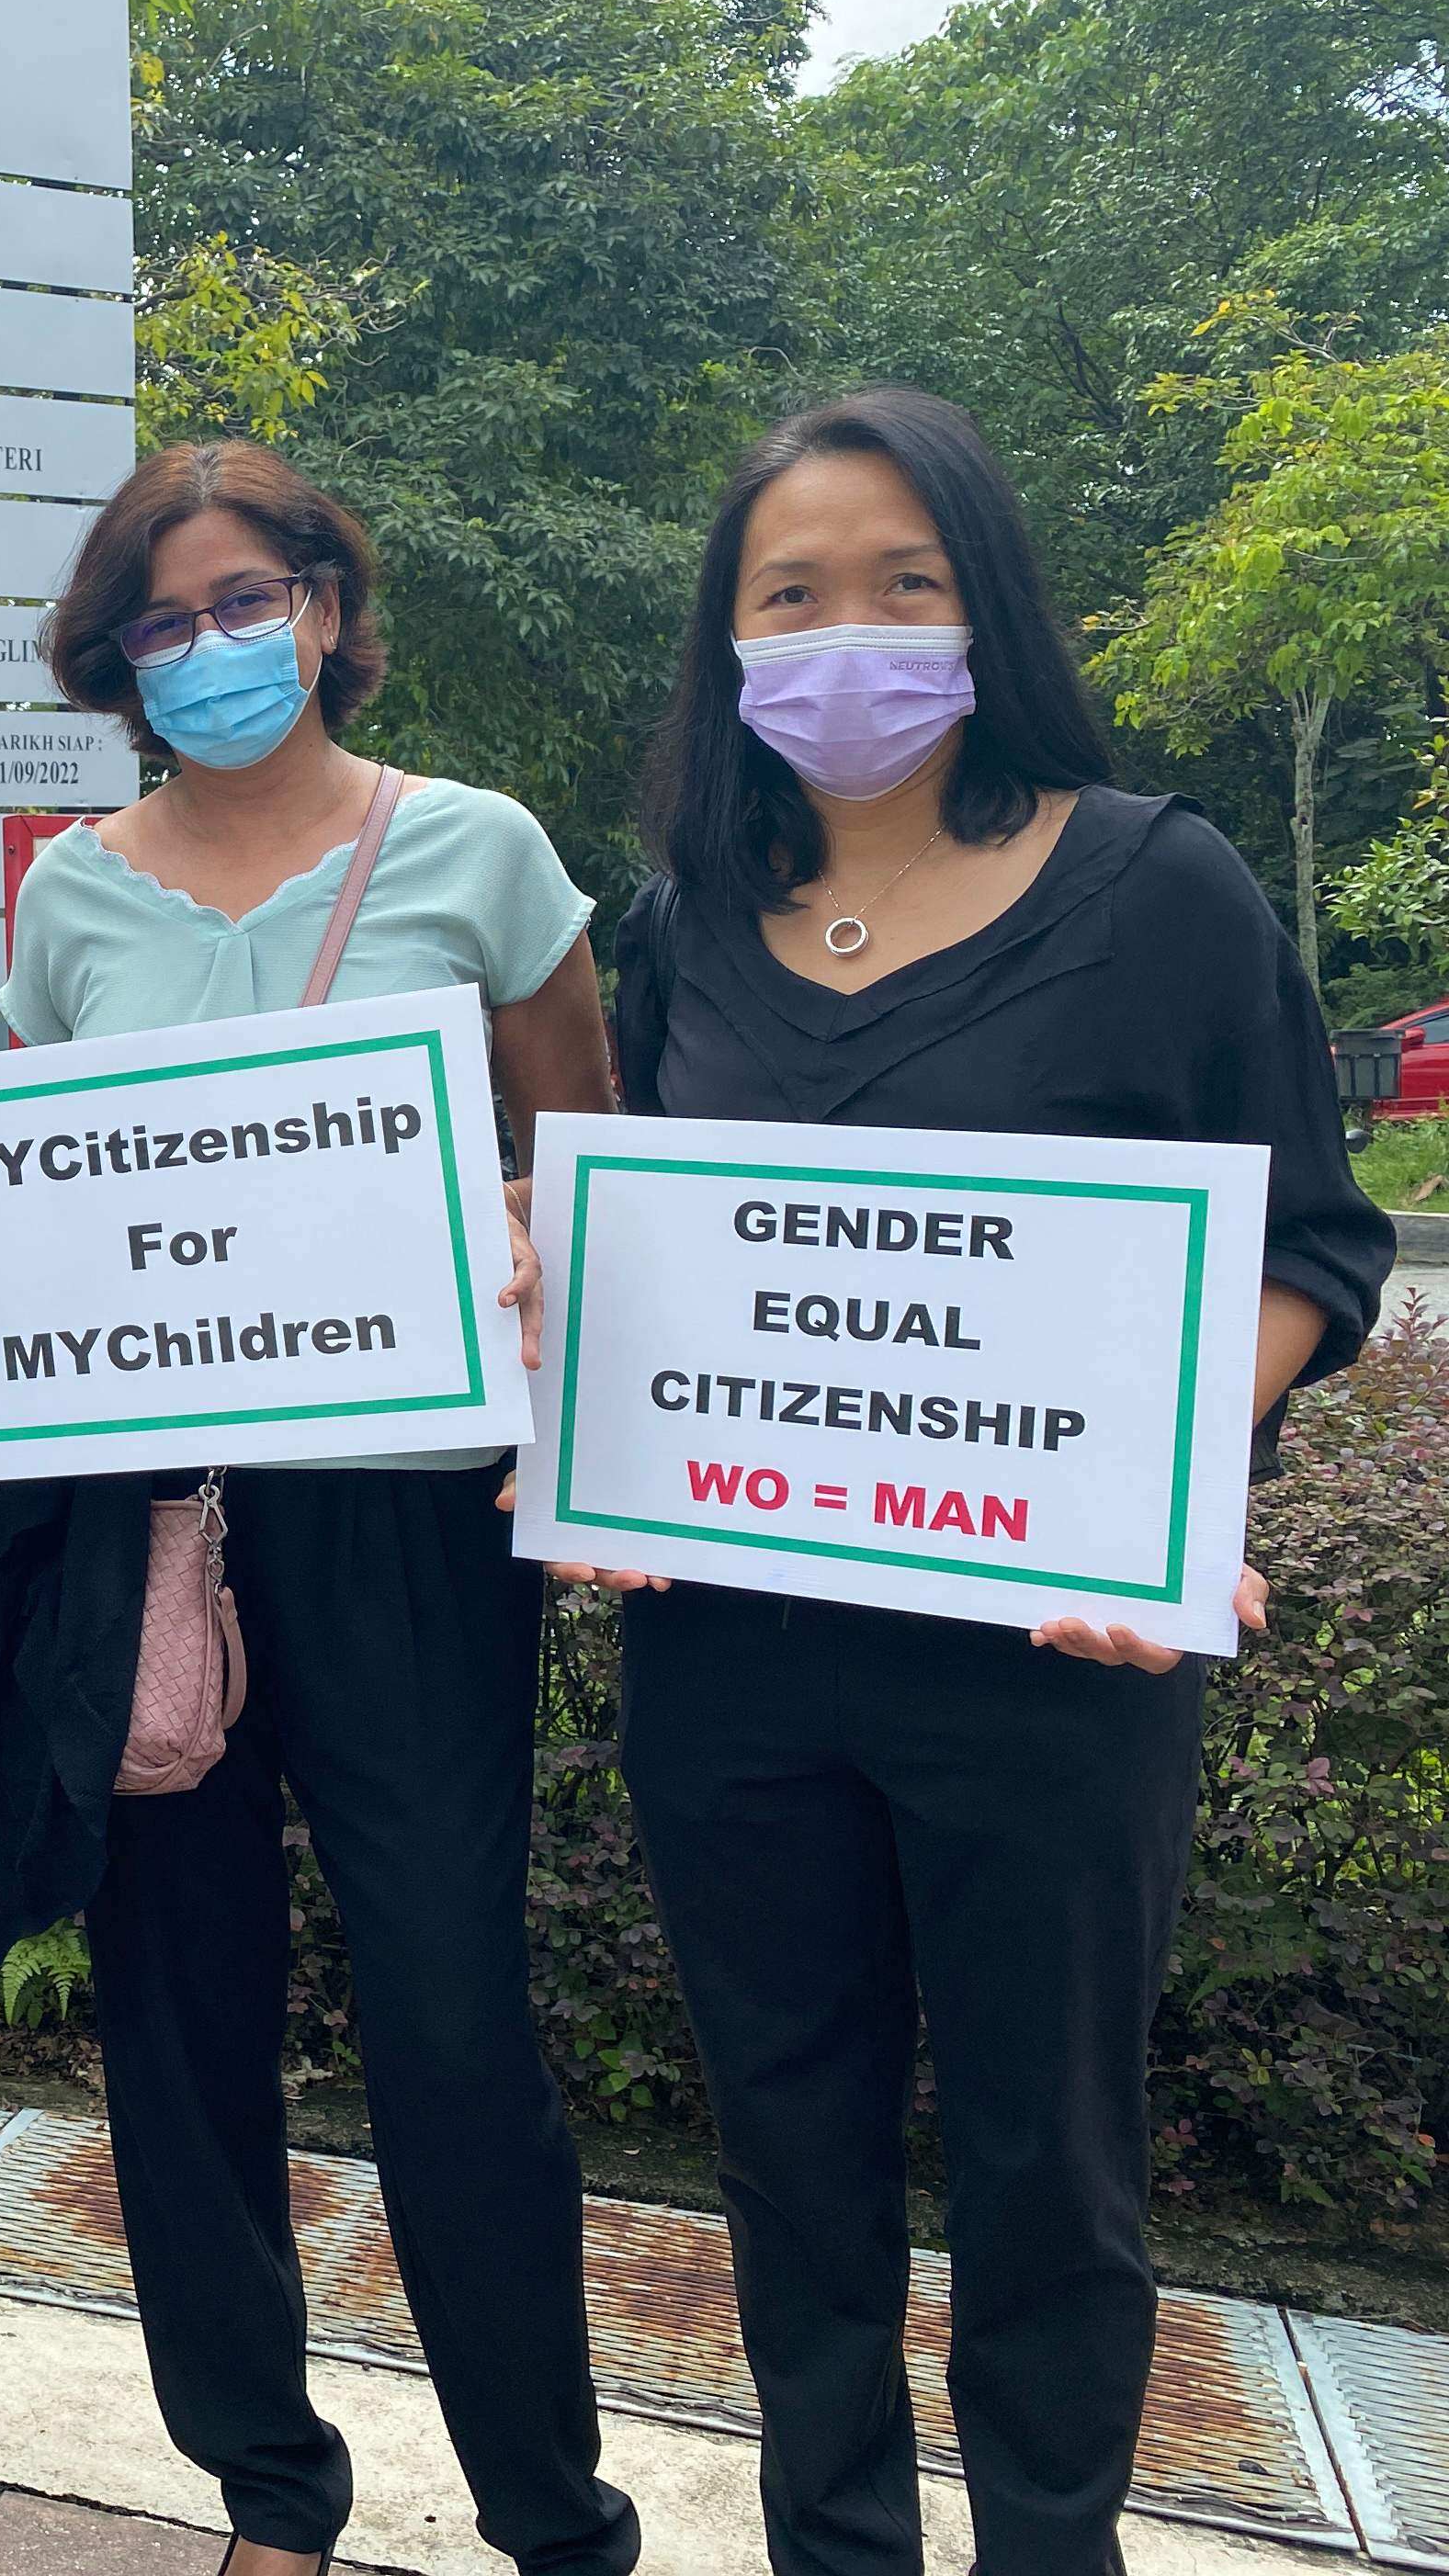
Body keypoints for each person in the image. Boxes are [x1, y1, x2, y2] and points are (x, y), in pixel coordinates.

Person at [551, 388, 1389, 2576]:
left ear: (986, 608)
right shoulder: (686, 917)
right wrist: (607, 1413)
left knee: (1047, 2163)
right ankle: (835, 2545)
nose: (850, 636)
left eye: (903, 586)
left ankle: (1049, 2547)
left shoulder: (1159, 885)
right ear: (727, 649)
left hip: (1052, 1652)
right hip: (733, 1660)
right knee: (788, 2151)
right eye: (792, 596)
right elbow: (672, 1259)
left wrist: (1187, 1480)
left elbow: (1315, 1240)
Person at [0, 439, 639, 2576]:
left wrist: (523, 1266)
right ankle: (268, 2491)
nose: (211, 646)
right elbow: (35, 1197)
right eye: (163, 617)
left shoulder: (478, 852)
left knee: (450, 2009)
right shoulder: (71, 893)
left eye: (248, 600)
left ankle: (548, 2507)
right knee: (179, 2019)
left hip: (406, 1522)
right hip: (156, 1521)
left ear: (327, 605)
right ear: (113, 657)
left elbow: (584, 1165)